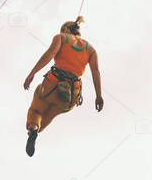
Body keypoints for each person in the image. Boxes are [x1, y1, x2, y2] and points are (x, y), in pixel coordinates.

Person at [22, 17, 103, 156]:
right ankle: (36, 130)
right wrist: (98, 96)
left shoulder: (61, 37)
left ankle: (33, 128)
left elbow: (50, 54)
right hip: (71, 94)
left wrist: (32, 73)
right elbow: (95, 72)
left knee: (36, 110)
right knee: (52, 113)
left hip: (53, 83)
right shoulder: (91, 50)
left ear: (65, 29)